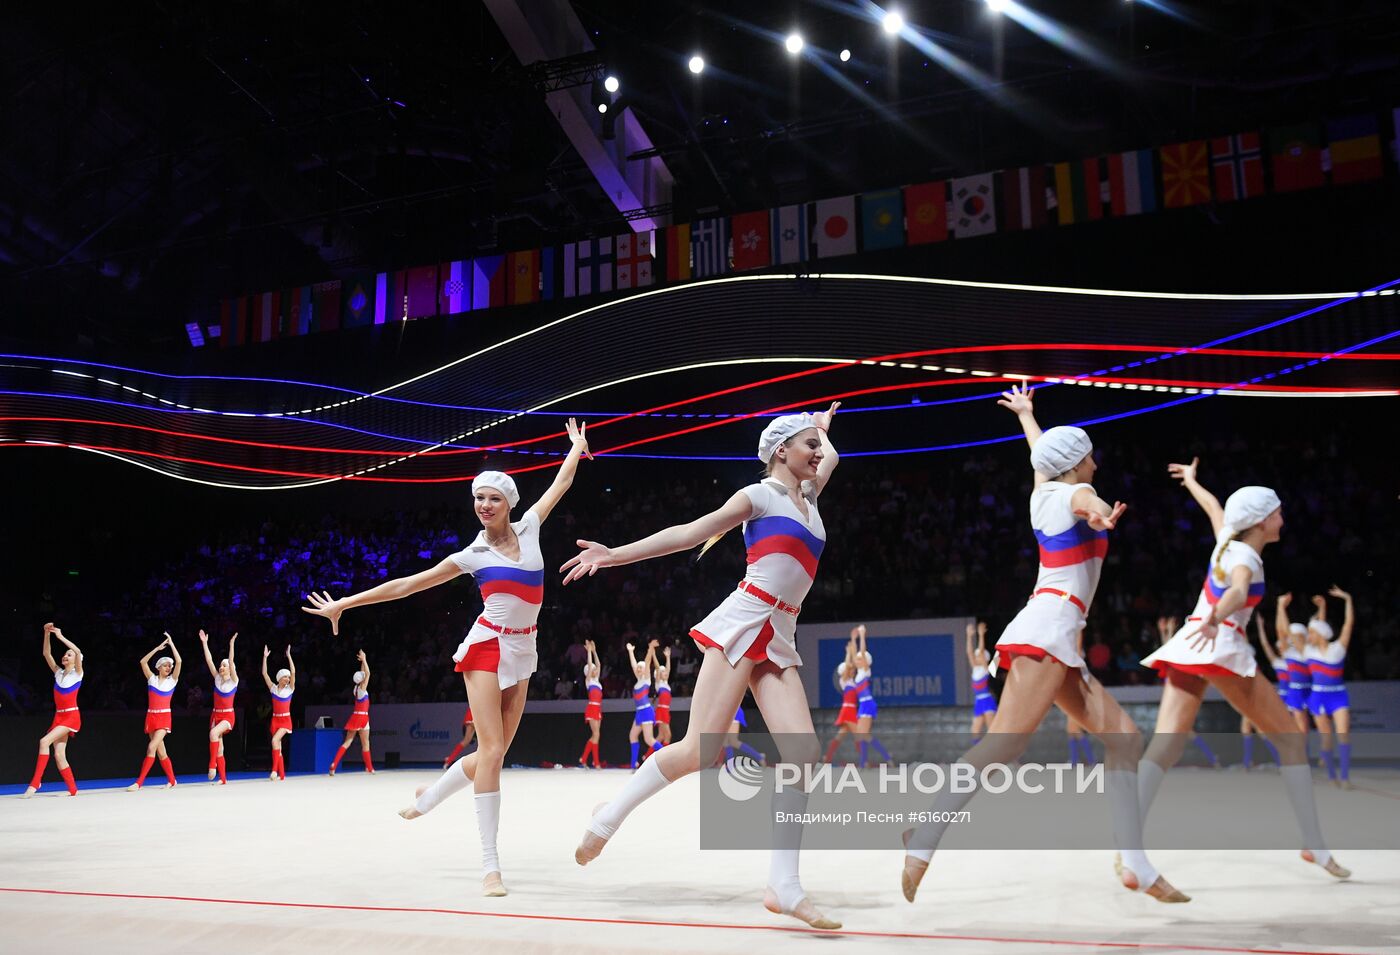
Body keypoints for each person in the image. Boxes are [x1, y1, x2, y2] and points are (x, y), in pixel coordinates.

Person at [563, 403, 843, 930]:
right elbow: (688, 533)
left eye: (819, 447)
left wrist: (820, 432)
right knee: (700, 750)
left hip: (780, 632)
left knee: (805, 755)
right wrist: (612, 554)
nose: (818, 453)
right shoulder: (759, 496)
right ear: (781, 451)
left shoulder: (810, 502)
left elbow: (832, 458)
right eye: (808, 445)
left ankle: (783, 886)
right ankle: (607, 817)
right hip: (746, 618)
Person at [902, 384, 1183, 904]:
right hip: (1049, 629)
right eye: (1090, 456)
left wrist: (1028, 416)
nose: (1096, 463)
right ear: (1077, 463)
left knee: (1123, 739)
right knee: (1005, 742)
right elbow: (1084, 497)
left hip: (1056, 632)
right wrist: (1099, 512)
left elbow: (1046, 464)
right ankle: (923, 835)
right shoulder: (1071, 495)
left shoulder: (1042, 491)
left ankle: (1136, 865)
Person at [303, 419, 591, 898]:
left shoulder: (531, 526)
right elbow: (407, 585)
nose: (483, 505)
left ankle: (429, 797)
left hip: (523, 648)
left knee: (491, 753)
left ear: (510, 503)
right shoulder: (472, 555)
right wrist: (345, 604)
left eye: (493, 498)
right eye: (478, 498)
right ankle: (490, 865)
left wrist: (577, 448)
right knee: (493, 751)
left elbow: (561, 483)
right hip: (486, 645)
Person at [1138, 457, 1348, 880]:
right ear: (1262, 520)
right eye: (1278, 512)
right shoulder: (1247, 559)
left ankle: (1127, 839)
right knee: (1290, 744)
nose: (1283, 518)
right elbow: (1236, 591)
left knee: (1166, 745)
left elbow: (1215, 510)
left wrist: (1193, 482)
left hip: (1190, 642)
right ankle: (1315, 845)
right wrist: (1218, 617)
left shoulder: (1226, 541)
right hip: (1220, 645)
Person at [23, 624, 83, 798]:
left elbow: (78, 652)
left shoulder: (78, 674)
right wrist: (46, 634)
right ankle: (72, 790)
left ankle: (35, 783)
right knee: (58, 755)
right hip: (59, 716)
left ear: (76, 660)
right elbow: (46, 654)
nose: (66, 655)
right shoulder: (58, 673)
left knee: (44, 742)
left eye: (69, 654)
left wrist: (61, 636)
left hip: (71, 716)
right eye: (65, 654)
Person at [1306, 588, 1355, 789]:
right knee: (1326, 738)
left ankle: (1345, 777)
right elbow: (1319, 625)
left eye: (1312, 633)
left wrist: (1348, 599)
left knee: (1343, 735)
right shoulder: (1309, 650)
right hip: (1318, 697)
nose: (1309, 635)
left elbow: (1348, 624)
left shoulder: (1337, 649)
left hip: (1338, 696)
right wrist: (1322, 608)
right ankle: (1332, 775)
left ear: (1319, 634)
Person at [128, 634, 182, 791]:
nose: (168, 668)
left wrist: (171, 644)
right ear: (158, 667)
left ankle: (139, 782)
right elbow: (143, 662)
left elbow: (179, 661)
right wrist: (157, 649)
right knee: (160, 751)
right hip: (151, 717)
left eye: (169, 666)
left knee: (151, 747)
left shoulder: (173, 681)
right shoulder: (151, 679)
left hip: (164, 717)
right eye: (165, 665)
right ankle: (172, 780)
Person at [1244, 615, 1285, 770]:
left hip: (1259, 697)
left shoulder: (1251, 667)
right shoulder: (1246, 663)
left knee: (1260, 730)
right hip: (1252, 696)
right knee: (1248, 728)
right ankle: (1248, 762)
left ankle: (1280, 761)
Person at [200, 629, 238, 785]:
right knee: (220, 747)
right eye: (221, 665)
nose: (221, 667)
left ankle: (212, 765)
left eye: (224, 665)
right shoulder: (217, 679)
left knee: (213, 733)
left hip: (228, 717)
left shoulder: (234, 681)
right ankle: (223, 779)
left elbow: (231, 660)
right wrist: (204, 643)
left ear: (230, 668)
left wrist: (231, 645)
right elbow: (209, 660)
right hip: (216, 715)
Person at [851, 625, 891, 767]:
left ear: (866, 661)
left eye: (861, 659)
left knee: (862, 735)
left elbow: (861, 652)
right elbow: (857, 655)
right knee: (863, 735)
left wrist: (862, 635)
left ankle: (873, 760)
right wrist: (853, 638)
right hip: (863, 704)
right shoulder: (859, 672)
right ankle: (870, 761)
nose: (857, 660)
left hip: (867, 703)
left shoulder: (866, 671)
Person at [329, 651, 374, 776]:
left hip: (355, 716)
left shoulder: (356, 688)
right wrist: (364, 659)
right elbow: (368, 673)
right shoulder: (362, 689)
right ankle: (369, 768)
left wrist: (361, 662)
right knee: (366, 743)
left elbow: (363, 673)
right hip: (363, 717)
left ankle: (334, 764)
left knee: (347, 742)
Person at [262, 646, 295, 782]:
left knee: (275, 741)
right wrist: (265, 657)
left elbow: (293, 672)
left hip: (285, 721)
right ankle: (282, 775)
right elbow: (265, 674)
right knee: (278, 748)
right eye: (285, 677)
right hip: (275, 720)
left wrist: (289, 656)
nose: (287, 678)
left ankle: (274, 770)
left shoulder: (290, 689)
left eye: (288, 677)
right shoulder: (273, 689)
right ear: (280, 678)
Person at [824, 638, 859, 763]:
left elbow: (852, 665)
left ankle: (827, 757)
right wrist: (848, 653)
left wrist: (851, 651)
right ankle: (864, 761)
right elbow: (848, 665)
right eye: (849, 669)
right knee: (859, 735)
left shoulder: (851, 681)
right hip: (848, 710)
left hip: (851, 709)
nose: (852, 670)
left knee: (840, 735)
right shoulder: (844, 680)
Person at [625, 641, 659, 768]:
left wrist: (650, 648)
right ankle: (634, 764)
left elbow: (647, 661)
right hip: (639, 712)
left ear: (645, 670)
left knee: (649, 739)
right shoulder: (639, 680)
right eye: (638, 668)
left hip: (646, 711)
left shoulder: (646, 679)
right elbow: (634, 664)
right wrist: (630, 651)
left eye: (641, 668)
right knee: (632, 736)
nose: (638, 669)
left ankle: (665, 756)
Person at [966, 621, 997, 741]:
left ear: (985, 658)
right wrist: (969, 636)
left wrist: (981, 635)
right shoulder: (975, 668)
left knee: (992, 730)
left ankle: (997, 754)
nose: (976, 656)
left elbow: (981, 649)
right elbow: (969, 653)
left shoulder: (986, 667)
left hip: (987, 700)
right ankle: (980, 755)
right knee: (975, 731)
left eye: (979, 655)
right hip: (979, 701)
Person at [579, 640, 603, 768]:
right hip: (592, 708)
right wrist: (588, 651)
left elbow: (598, 665)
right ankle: (595, 762)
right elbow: (590, 664)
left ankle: (584, 759)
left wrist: (594, 651)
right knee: (596, 734)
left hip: (598, 709)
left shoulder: (597, 681)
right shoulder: (589, 681)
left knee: (596, 736)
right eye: (592, 669)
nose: (595, 670)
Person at [652, 644, 674, 747]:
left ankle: (647, 757)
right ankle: (663, 758)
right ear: (659, 674)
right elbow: (657, 667)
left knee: (661, 736)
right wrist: (653, 655)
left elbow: (668, 669)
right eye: (663, 671)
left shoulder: (666, 684)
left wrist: (668, 657)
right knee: (667, 735)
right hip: (661, 711)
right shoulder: (659, 684)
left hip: (665, 710)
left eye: (665, 671)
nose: (665, 672)